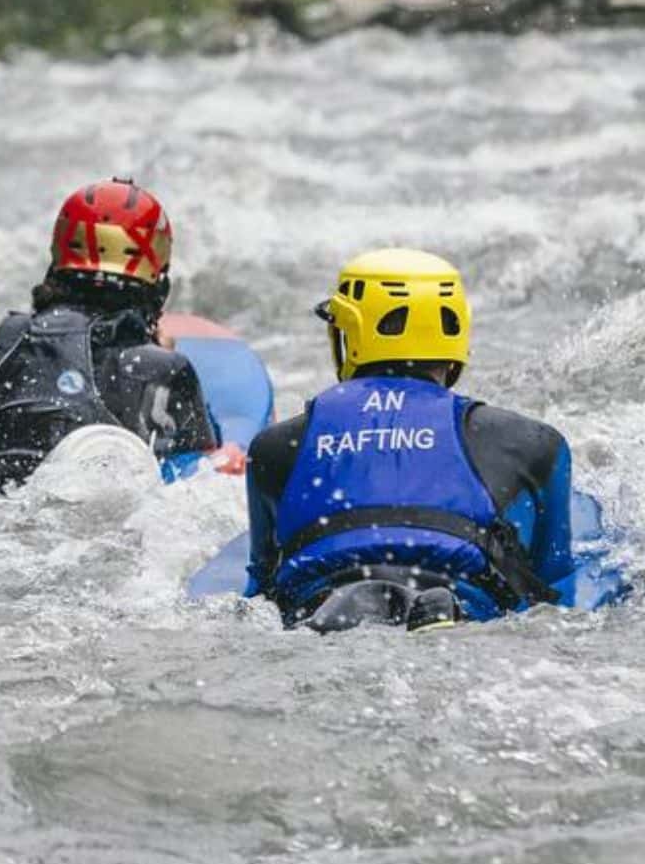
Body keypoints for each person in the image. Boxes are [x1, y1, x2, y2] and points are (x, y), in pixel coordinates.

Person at [246, 248, 574, 632]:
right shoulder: (531, 444)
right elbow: (555, 588)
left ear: (350, 331)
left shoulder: (275, 447)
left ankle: (361, 601)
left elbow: (261, 589)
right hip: (464, 607)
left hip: (320, 608)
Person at [0, 178, 234, 520]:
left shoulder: (5, 339)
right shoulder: (161, 368)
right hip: (83, 517)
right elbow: (196, 472)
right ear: (157, 275)